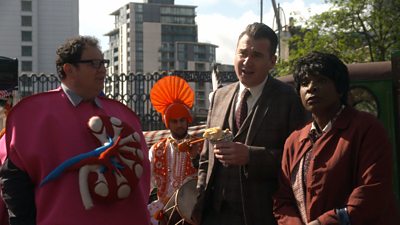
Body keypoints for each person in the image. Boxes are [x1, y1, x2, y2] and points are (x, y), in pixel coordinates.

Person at [0, 36, 151, 225]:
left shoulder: (125, 116)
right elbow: (15, 184)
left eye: (104, 63)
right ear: (68, 69)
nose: (103, 70)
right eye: (94, 64)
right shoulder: (32, 116)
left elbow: (143, 180)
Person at [191, 22, 308, 225]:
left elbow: (301, 161)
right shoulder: (219, 96)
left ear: (273, 61)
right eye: (242, 53)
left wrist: (251, 156)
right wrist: (199, 201)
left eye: (256, 56)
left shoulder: (289, 99)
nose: (247, 61)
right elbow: (205, 160)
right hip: (214, 215)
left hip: (261, 215)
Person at [273, 51, 400, 225]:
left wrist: (323, 223)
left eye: (321, 81)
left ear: (340, 88)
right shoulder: (294, 141)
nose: (311, 87)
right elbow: (283, 200)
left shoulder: (366, 128)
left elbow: (373, 192)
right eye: (304, 83)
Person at [148, 76, 203, 225]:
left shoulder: (200, 145)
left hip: (192, 213)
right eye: (174, 121)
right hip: (164, 213)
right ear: (167, 123)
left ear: (187, 121)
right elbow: (147, 183)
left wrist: (195, 158)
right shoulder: (156, 149)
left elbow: (208, 178)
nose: (179, 125)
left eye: (182, 120)